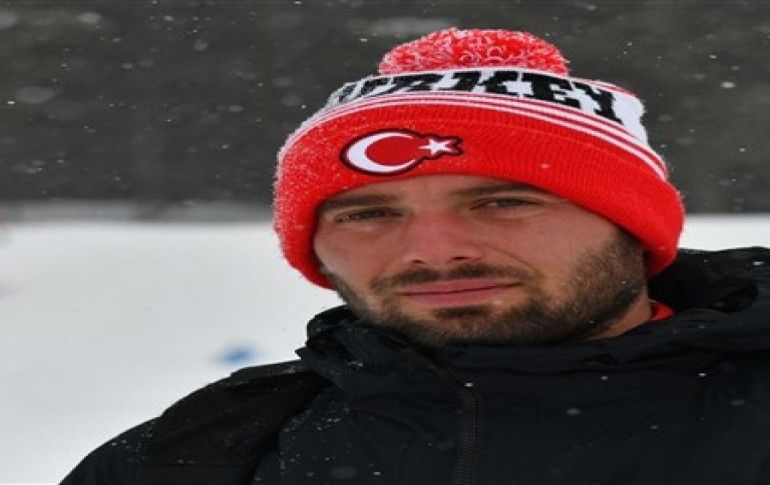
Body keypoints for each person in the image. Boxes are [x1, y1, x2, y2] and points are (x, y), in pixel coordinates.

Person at [62, 28, 769, 485]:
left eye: (503, 202)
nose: (434, 251)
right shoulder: (201, 453)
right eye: (368, 213)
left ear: (632, 227)